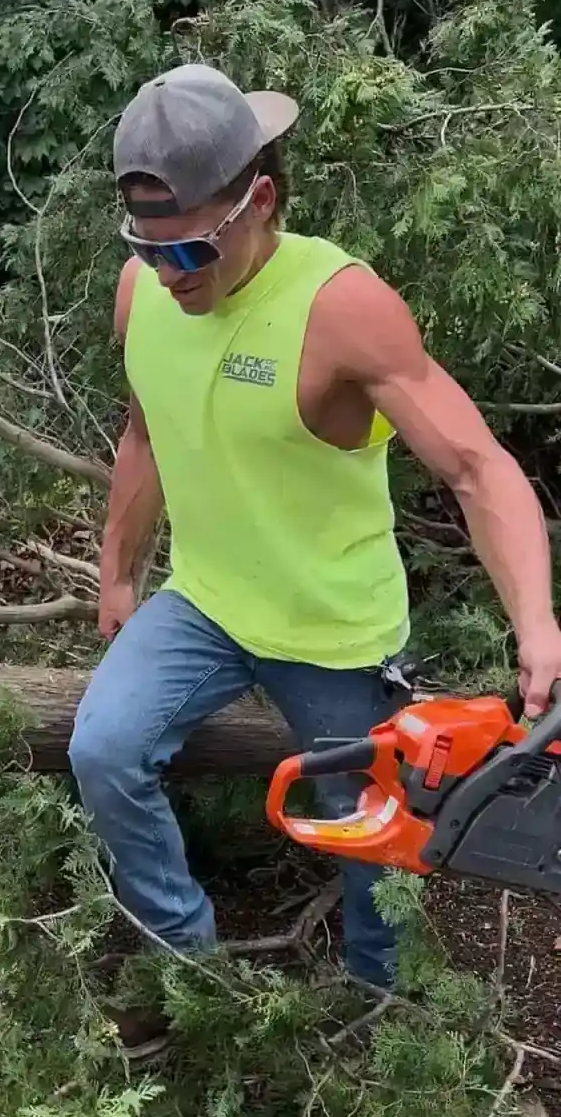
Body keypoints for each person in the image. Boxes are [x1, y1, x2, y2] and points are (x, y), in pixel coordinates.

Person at [69, 62, 561, 1049]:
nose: (170, 274)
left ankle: (383, 1016)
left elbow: (475, 468)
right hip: (207, 603)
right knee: (102, 750)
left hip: (334, 631)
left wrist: (537, 624)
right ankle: (190, 971)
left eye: (190, 249)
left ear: (259, 201)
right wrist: (120, 572)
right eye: (147, 249)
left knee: (370, 838)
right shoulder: (144, 294)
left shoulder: (339, 308)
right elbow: (144, 434)